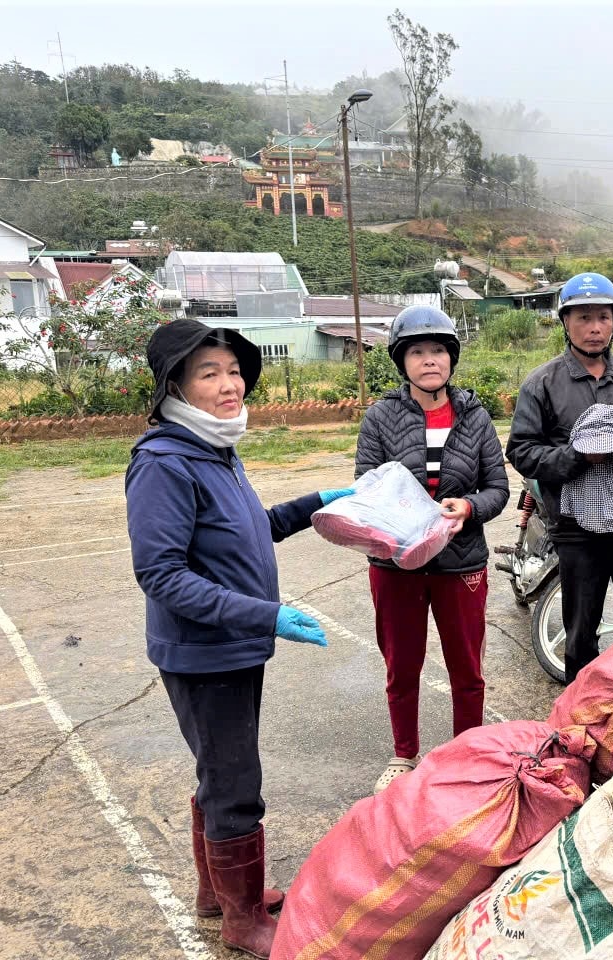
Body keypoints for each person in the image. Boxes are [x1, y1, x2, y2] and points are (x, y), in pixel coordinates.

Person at [125, 318, 354, 959]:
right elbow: (161, 574)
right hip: (205, 651)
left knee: (218, 772)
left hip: (231, 645)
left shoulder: (214, 448)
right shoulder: (165, 462)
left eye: (233, 372)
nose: (229, 386)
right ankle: (243, 918)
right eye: (209, 374)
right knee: (234, 783)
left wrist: (315, 503)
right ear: (176, 385)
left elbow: (251, 529)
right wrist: (266, 615)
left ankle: (214, 896)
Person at [355, 306, 510, 792]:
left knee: (466, 664)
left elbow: (498, 487)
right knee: (402, 663)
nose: (429, 360)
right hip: (395, 563)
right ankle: (404, 754)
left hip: (460, 562)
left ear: (451, 358)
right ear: (402, 361)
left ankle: (468, 751)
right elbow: (365, 485)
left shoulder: (476, 417)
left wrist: (467, 506)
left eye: (438, 350)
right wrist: (399, 520)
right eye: (417, 352)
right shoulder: (380, 417)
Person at [506, 272, 613, 682]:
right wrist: (576, 457)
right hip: (577, 532)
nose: (594, 328)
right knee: (580, 632)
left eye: (603, 317)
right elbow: (522, 451)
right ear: (565, 322)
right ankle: (583, 716)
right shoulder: (542, 383)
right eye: (583, 318)